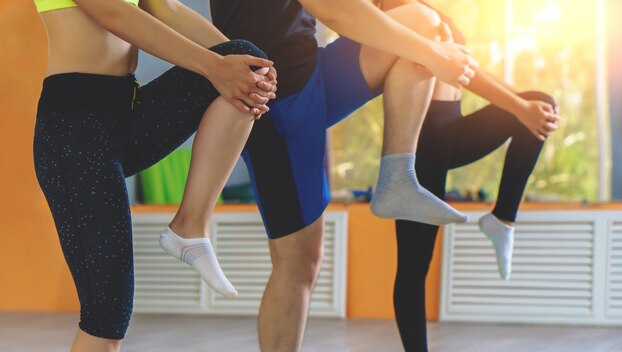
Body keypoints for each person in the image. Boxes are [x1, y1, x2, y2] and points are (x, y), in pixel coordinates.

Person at [205, 0, 479, 351]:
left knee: (424, 22)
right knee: (298, 262)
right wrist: (437, 58)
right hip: (276, 99)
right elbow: (337, 12)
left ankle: (398, 176)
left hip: (312, 71)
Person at [32, 0, 278, 349]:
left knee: (244, 54)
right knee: (107, 316)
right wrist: (216, 67)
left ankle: (190, 226)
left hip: (126, 114)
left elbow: (165, 8)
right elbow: (112, 13)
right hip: (74, 133)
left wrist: (248, 69)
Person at [375, 1, 561, 351]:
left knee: (541, 104)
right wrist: (519, 107)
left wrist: (521, 106)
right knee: (415, 264)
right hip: (421, 141)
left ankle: (502, 219)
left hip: (452, 129)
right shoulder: (399, 10)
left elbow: (467, 71)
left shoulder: (427, 9)